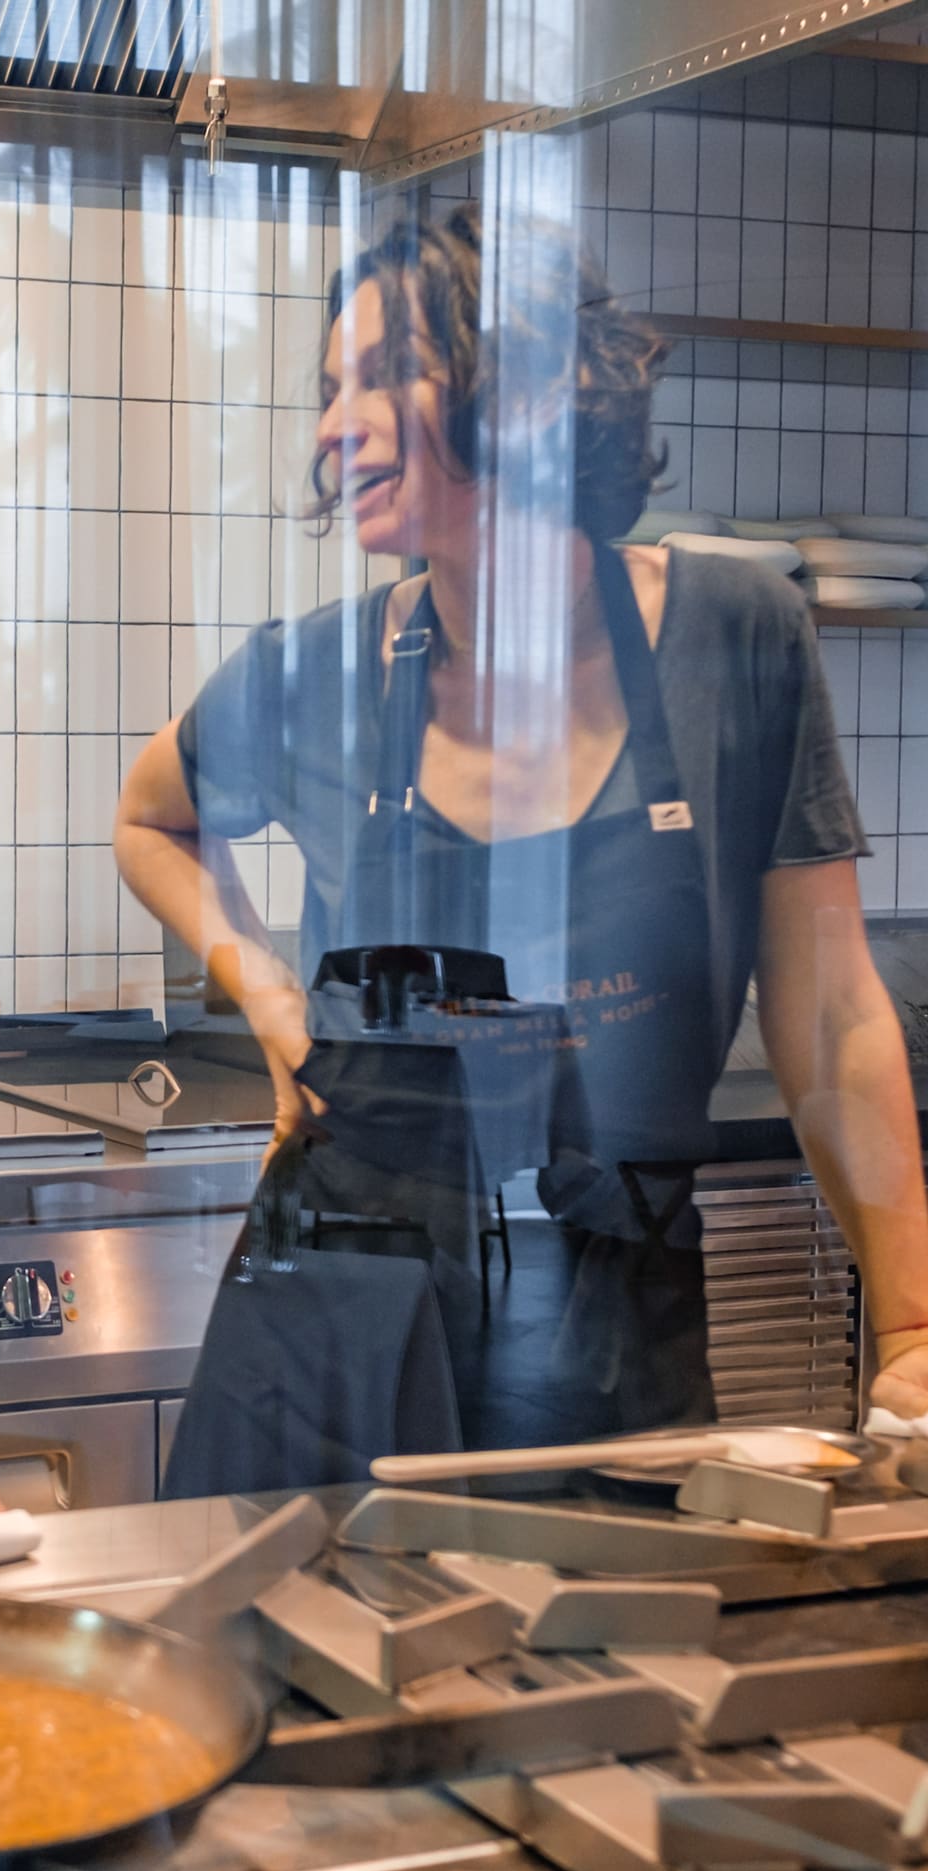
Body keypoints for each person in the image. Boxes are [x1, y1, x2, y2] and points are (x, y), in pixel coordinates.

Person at [116, 202, 928, 1461]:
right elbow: (145, 818)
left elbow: (829, 1017)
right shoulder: (318, 673)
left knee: (609, 1657)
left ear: (536, 394)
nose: (335, 424)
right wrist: (274, 1008)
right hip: (343, 1323)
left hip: (615, 1329)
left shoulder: (737, 636)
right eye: (331, 386)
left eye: (384, 375)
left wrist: (909, 1332)